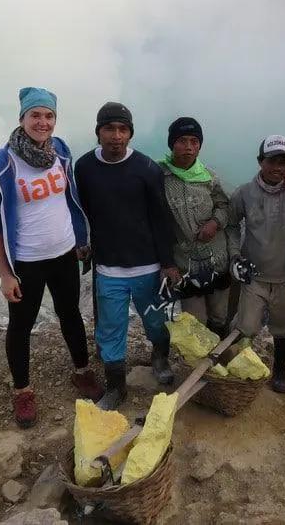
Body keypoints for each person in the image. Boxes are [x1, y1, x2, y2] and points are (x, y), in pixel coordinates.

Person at [0, 87, 100, 428]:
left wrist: (80, 239)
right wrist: (5, 272)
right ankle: (23, 391)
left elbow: (68, 198)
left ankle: (82, 371)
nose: (43, 122)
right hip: (27, 262)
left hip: (63, 254)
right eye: (36, 115)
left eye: (49, 116)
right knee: (21, 325)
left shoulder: (60, 152)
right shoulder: (2, 164)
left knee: (70, 313)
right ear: (22, 119)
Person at [73, 101, 180, 410]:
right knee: (110, 328)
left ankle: (159, 358)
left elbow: (160, 218)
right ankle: (116, 386)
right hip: (109, 268)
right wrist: (83, 242)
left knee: (156, 323)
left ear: (130, 134)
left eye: (122, 130)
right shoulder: (85, 167)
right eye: (109, 129)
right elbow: (81, 212)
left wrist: (168, 263)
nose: (116, 136)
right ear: (98, 133)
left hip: (147, 266)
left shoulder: (146, 168)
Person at [227, 135, 285, 393]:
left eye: (284, 161)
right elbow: (231, 226)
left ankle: (279, 372)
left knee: (284, 326)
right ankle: (238, 365)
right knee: (246, 326)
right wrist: (234, 256)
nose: (278, 167)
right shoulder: (244, 193)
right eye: (272, 160)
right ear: (260, 161)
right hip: (253, 276)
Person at [158, 117, 233, 337]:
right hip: (185, 264)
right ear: (172, 144)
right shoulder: (160, 176)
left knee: (220, 316)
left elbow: (225, 206)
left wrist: (215, 222)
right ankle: (201, 362)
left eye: (194, 141)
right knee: (196, 321)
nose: (189, 147)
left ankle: (219, 361)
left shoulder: (209, 177)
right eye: (182, 141)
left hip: (217, 259)